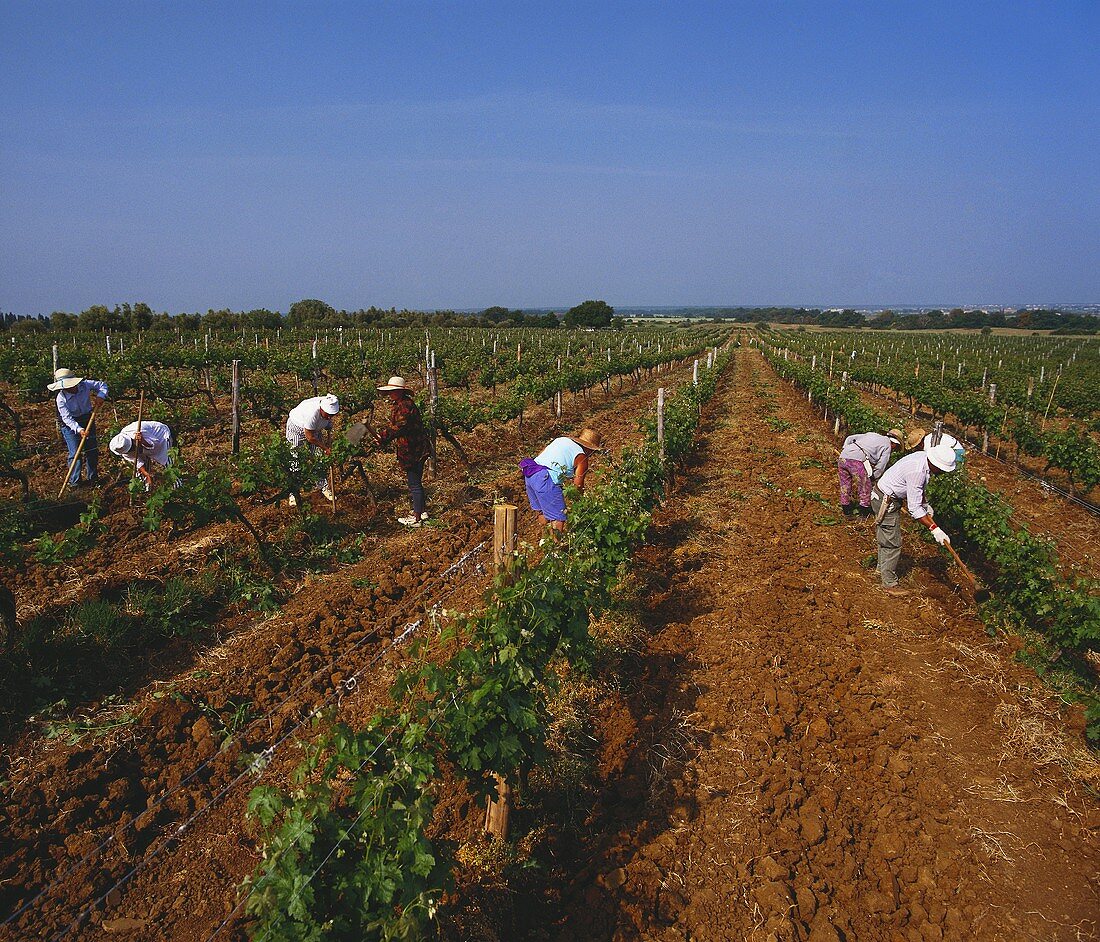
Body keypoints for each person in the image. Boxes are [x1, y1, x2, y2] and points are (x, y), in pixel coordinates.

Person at [870, 443, 958, 596]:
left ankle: (881, 569)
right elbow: (914, 509)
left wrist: (924, 504)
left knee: (886, 536)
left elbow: (918, 488)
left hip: (884, 495)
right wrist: (935, 529)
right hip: (886, 501)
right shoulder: (917, 470)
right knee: (893, 543)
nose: (943, 473)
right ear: (936, 464)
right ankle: (889, 583)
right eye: (943, 469)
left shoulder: (922, 460)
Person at [375, 377, 432, 527]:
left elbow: (400, 427)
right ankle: (422, 511)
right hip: (414, 448)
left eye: (393, 391)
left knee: (414, 483)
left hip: (413, 449)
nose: (390, 394)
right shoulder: (401, 404)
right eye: (390, 392)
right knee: (416, 482)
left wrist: (383, 436)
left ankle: (417, 518)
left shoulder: (405, 406)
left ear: (400, 391)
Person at [520, 428, 604, 532]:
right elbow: (578, 485)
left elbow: (542, 454)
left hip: (530, 473)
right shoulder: (582, 457)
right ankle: (554, 546)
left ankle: (545, 540)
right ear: (589, 449)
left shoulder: (561, 440)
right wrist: (579, 503)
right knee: (558, 518)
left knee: (542, 512)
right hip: (546, 478)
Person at [49, 368, 108, 487]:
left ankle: (93, 479)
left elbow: (102, 385)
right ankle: (75, 482)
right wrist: (79, 429)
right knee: (75, 453)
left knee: (92, 450)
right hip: (70, 425)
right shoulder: (61, 398)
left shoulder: (84, 385)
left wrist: (101, 396)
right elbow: (66, 418)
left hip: (87, 419)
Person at [285, 394, 340, 506]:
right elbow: (310, 437)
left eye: (332, 415)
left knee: (319, 458)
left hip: (314, 429)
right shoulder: (312, 414)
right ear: (322, 409)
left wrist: (328, 425)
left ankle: (323, 487)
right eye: (328, 415)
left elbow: (327, 422)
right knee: (295, 460)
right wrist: (325, 447)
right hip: (297, 428)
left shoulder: (328, 405)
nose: (330, 417)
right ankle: (293, 493)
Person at [837, 428, 904, 516]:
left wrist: (846, 449)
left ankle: (846, 510)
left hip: (843, 457)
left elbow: (850, 438)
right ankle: (864, 513)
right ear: (895, 444)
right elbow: (881, 466)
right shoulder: (887, 446)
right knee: (865, 486)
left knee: (845, 484)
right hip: (857, 461)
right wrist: (873, 477)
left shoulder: (871, 434)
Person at [109, 420, 177, 491]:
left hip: (161, 438)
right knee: (140, 473)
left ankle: (177, 488)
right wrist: (146, 474)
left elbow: (155, 444)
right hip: (143, 446)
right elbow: (137, 461)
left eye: (132, 448)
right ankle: (146, 490)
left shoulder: (137, 430)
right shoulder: (121, 448)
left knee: (169, 465)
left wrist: (143, 441)